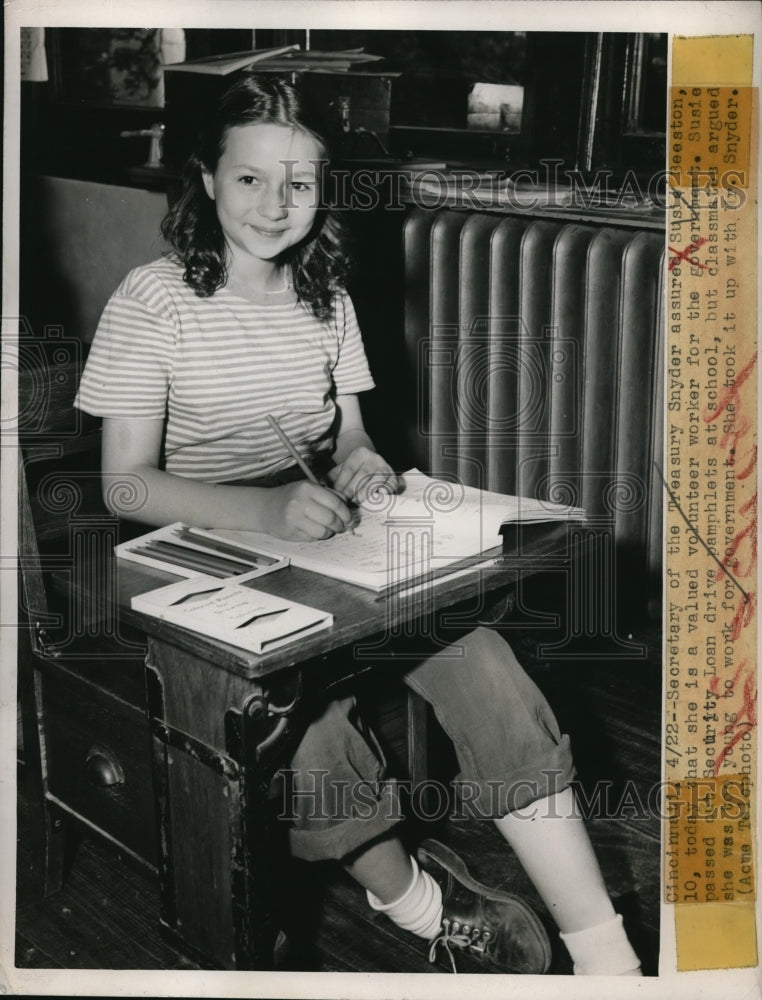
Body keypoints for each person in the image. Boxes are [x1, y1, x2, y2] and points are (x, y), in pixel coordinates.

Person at [75, 74, 641, 977]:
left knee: (486, 665)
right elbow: (125, 490)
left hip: (319, 529)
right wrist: (264, 509)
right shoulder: (155, 302)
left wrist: (362, 460)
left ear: (324, 191)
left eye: (300, 183)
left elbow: (351, 435)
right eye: (251, 179)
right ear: (208, 182)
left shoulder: (325, 296)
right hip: (183, 550)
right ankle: (420, 904)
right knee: (304, 730)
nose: (276, 204)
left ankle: (604, 953)